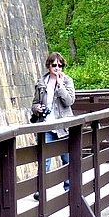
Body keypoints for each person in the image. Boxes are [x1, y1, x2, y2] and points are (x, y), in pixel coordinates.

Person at [31, 52, 75, 198]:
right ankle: (41, 190)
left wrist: (60, 85)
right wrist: (37, 109)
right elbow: (34, 103)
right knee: (44, 159)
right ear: (49, 65)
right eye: (54, 65)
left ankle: (69, 189)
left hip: (63, 126)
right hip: (45, 125)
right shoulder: (41, 82)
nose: (57, 68)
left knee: (67, 158)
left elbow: (69, 101)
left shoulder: (67, 81)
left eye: (60, 65)